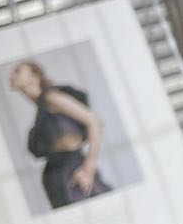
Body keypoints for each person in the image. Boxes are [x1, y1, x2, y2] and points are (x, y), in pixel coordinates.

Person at [8, 60, 110, 209]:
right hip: (57, 177)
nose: (11, 75)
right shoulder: (41, 108)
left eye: (17, 71)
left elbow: (94, 122)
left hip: (71, 172)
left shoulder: (51, 97)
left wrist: (88, 169)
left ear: (34, 77)